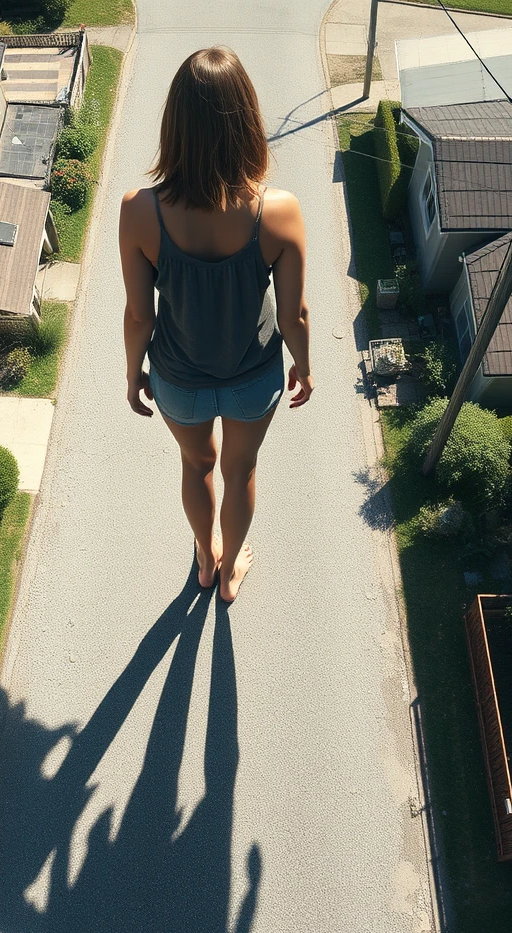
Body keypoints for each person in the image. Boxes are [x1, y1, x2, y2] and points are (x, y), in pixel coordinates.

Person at [119, 46, 313, 603]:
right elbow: (295, 312)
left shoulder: (139, 210)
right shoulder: (278, 211)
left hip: (178, 379)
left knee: (195, 464)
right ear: (248, 122)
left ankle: (206, 560)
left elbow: (139, 314)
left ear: (173, 124)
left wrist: (133, 373)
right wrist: (304, 365)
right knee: (240, 468)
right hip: (254, 375)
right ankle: (230, 577)